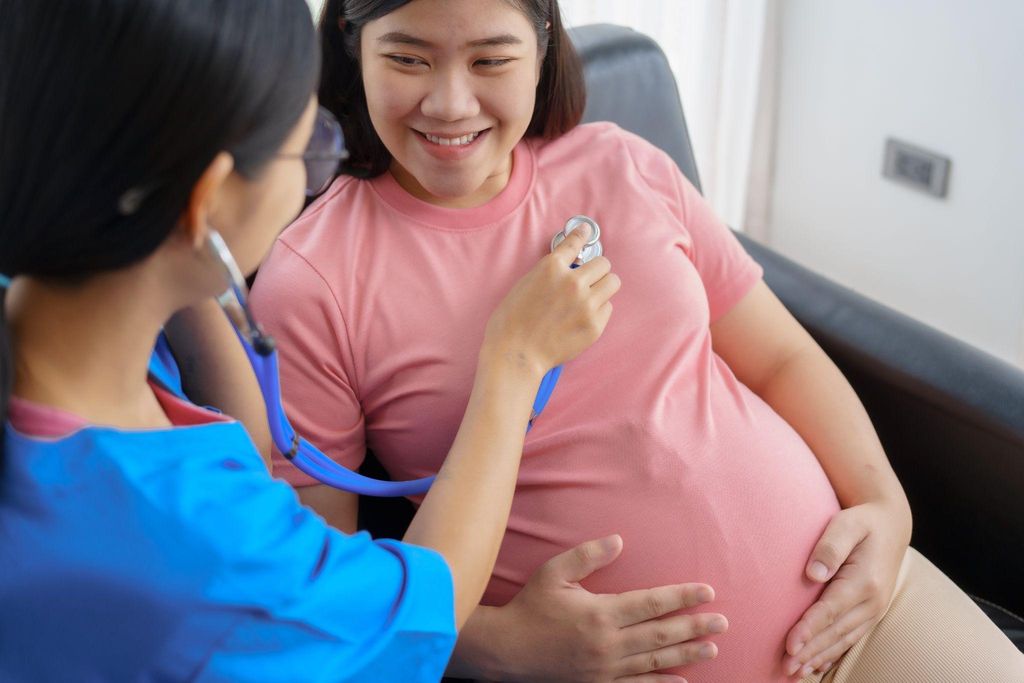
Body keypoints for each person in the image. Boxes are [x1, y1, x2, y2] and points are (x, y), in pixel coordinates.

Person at [250, 0, 1024, 680]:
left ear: (544, 44)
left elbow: (784, 356)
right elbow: (330, 597)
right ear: (353, 44)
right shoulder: (314, 280)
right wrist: (495, 647)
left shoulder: (619, 163)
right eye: (408, 57)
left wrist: (887, 511)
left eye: (491, 59)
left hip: (862, 614)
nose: (451, 103)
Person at [0, 1, 638, 680]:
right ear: (208, 198)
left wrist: (182, 260)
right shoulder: (215, 552)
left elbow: (238, 447)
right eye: (306, 151)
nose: (315, 176)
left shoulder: (64, 319)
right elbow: (428, 603)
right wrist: (516, 359)